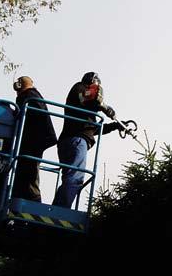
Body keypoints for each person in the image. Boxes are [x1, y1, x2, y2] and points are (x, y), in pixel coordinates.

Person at [52, 72, 124, 208]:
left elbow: (92, 129)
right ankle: (60, 211)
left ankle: (55, 208)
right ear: (91, 82)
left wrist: (115, 125)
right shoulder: (79, 88)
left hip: (70, 141)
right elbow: (93, 96)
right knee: (75, 178)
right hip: (77, 141)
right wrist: (104, 106)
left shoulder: (85, 109)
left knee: (69, 178)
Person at [11, 76, 57, 202]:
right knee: (25, 170)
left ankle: (34, 200)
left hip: (34, 140)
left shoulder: (29, 95)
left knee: (29, 171)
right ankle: (20, 195)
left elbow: (33, 116)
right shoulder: (31, 96)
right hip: (34, 139)